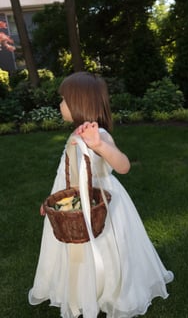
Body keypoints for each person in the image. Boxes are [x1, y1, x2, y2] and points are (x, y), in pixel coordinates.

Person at [28, 72, 174, 318]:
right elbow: (64, 174)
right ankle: (82, 292)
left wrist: (99, 145)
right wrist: (52, 199)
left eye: (63, 99)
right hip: (75, 205)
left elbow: (123, 166)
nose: (60, 104)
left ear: (79, 103)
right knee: (78, 250)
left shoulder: (99, 135)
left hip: (102, 205)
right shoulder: (74, 135)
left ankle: (113, 292)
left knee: (107, 250)